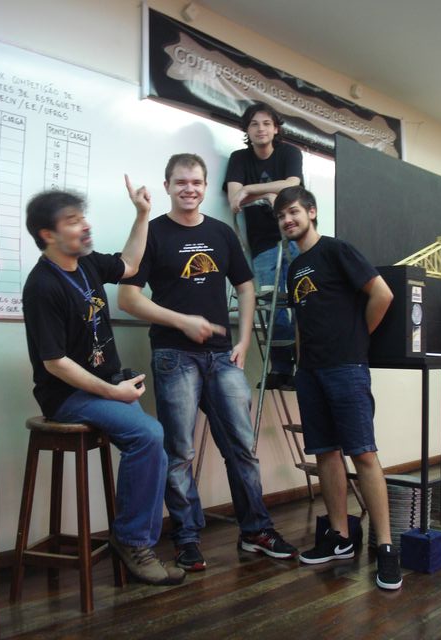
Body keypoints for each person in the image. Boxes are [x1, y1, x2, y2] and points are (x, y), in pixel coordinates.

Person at [118, 153, 298, 572]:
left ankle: (256, 531)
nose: (190, 189)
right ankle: (186, 538)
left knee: (241, 448)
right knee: (179, 453)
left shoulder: (220, 232)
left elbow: (246, 286)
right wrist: (181, 321)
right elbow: (127, 298)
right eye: (181, 182)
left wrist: (244, 341)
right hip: (173, 355)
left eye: (197, 182)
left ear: (203, 186)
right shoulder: (152, 232)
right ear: (167, 186)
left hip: (222, 356)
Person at [22, 179, 185, 586]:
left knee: (151, 441)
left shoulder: (88, 264)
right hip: (67, 396)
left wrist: (143, 213)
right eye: (73, 221)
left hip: (105, 384)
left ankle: (134, 539)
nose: (85, 226)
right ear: (48, 234)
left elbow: (129, 264)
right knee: (148, 435)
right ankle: (132, 542)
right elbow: (56, 363)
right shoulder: (42, 285)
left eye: (83, 218)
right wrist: (114, 392)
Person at [274, 185, 402, 590]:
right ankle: (340, 538)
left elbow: (382, 294)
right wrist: (300, 364)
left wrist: (357, 338)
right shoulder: (294, 268)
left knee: (362, 453)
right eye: (281, 216)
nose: (288, 220)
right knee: (326, 453)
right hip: (310, 372)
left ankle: (386, 547)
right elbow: (300, 322)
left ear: (311, 212)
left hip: (346, 367)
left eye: (294, 212)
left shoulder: (335, 250)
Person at [224, 102, 303, 390]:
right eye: (254, 124)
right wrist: (269, 193)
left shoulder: (289, 153)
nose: (261, 129)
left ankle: (304, 366)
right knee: (272, 308)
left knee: (304, 303)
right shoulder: (239, 158)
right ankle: (281, 369)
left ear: (276, 128)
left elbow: (292, 185)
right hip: (263, 245)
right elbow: (234, 198)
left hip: (296, 240)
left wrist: (251, 189)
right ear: (247, 129)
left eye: (267, 123)